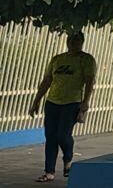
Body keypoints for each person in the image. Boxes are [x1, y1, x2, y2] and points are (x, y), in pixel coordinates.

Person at [28, 31, 96, 183]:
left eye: (77, 39)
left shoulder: (86, 60)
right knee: (50, 137)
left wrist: (85, 102)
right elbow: (46, 81)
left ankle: (68, 159)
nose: (73, 42)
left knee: (62, 135)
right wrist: (36, 101)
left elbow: (90, 81)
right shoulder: (58, 59)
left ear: (82, 42)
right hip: (52, 102)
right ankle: (49, 171)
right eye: (71, 39)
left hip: (72, 103)